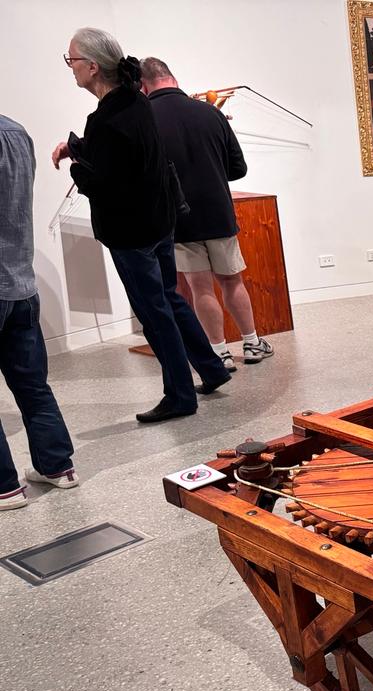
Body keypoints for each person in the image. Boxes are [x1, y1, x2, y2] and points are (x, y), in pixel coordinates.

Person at [53, 28, 229, 423]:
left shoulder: (105, 118)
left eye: (72, 60)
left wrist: (77, 165)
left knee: (155, 312)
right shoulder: (136, 100)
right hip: (159, 222)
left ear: (92, 66)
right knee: (169, 299)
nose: (70, 68)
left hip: (131, 232)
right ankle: (212, 368)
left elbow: (103, 180)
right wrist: (78, 146)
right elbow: (123, 157)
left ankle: (180, 395)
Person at [140, 57, 273, 372]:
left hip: (180, 218)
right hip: (218, 213)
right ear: (172, 77)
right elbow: (238, 168)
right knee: (232, 281)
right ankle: (252, 342)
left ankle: (219, 352)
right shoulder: (211, 113)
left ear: (143, 85)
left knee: (199, 287)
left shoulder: (146, 119)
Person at [0, 115, 78, 510]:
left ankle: (5, 487)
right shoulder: (15, 131)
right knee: (33, 385)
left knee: (33, 385)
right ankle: (58, 466)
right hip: (20, 282)